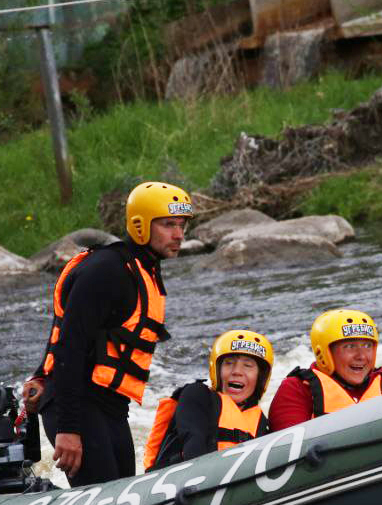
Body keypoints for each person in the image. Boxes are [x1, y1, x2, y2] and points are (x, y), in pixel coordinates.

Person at [20, 181, 192, 487]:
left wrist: (37, 375)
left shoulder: (144, 268)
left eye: (181, 225)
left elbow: (74, 331)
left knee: (126, 493)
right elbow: (69, 345)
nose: (179, 235)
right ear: (140, 226)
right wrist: (69, 428)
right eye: (168, 225)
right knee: (106, 502)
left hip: (109, 406)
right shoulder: (107, 271)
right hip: (75, 405)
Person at [143, 329, 274, 471]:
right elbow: (194, 447)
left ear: (260, 377)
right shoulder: (197, 395)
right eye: (229, 363)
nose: (237, 371)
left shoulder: (262, 424)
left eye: (247, 365)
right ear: (216, 371)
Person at [268, 308, 382, 431]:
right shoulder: (297, 390)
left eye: (367, 346)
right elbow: (289, 446)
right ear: (324, 353)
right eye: (350, 346)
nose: (361, 356)